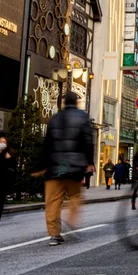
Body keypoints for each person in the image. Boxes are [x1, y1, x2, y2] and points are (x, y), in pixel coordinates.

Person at [44, 92, 96, 244]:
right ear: (77, 102)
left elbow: (47, 143)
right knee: (75, 196)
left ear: (64, 102)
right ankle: (71, 219)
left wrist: (43, 164)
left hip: (55, 167)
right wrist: (89, 161)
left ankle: (54, 234)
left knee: (53, 201)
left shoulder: (54, 118)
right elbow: (88, 140)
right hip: (74, 166)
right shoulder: (82, 117)